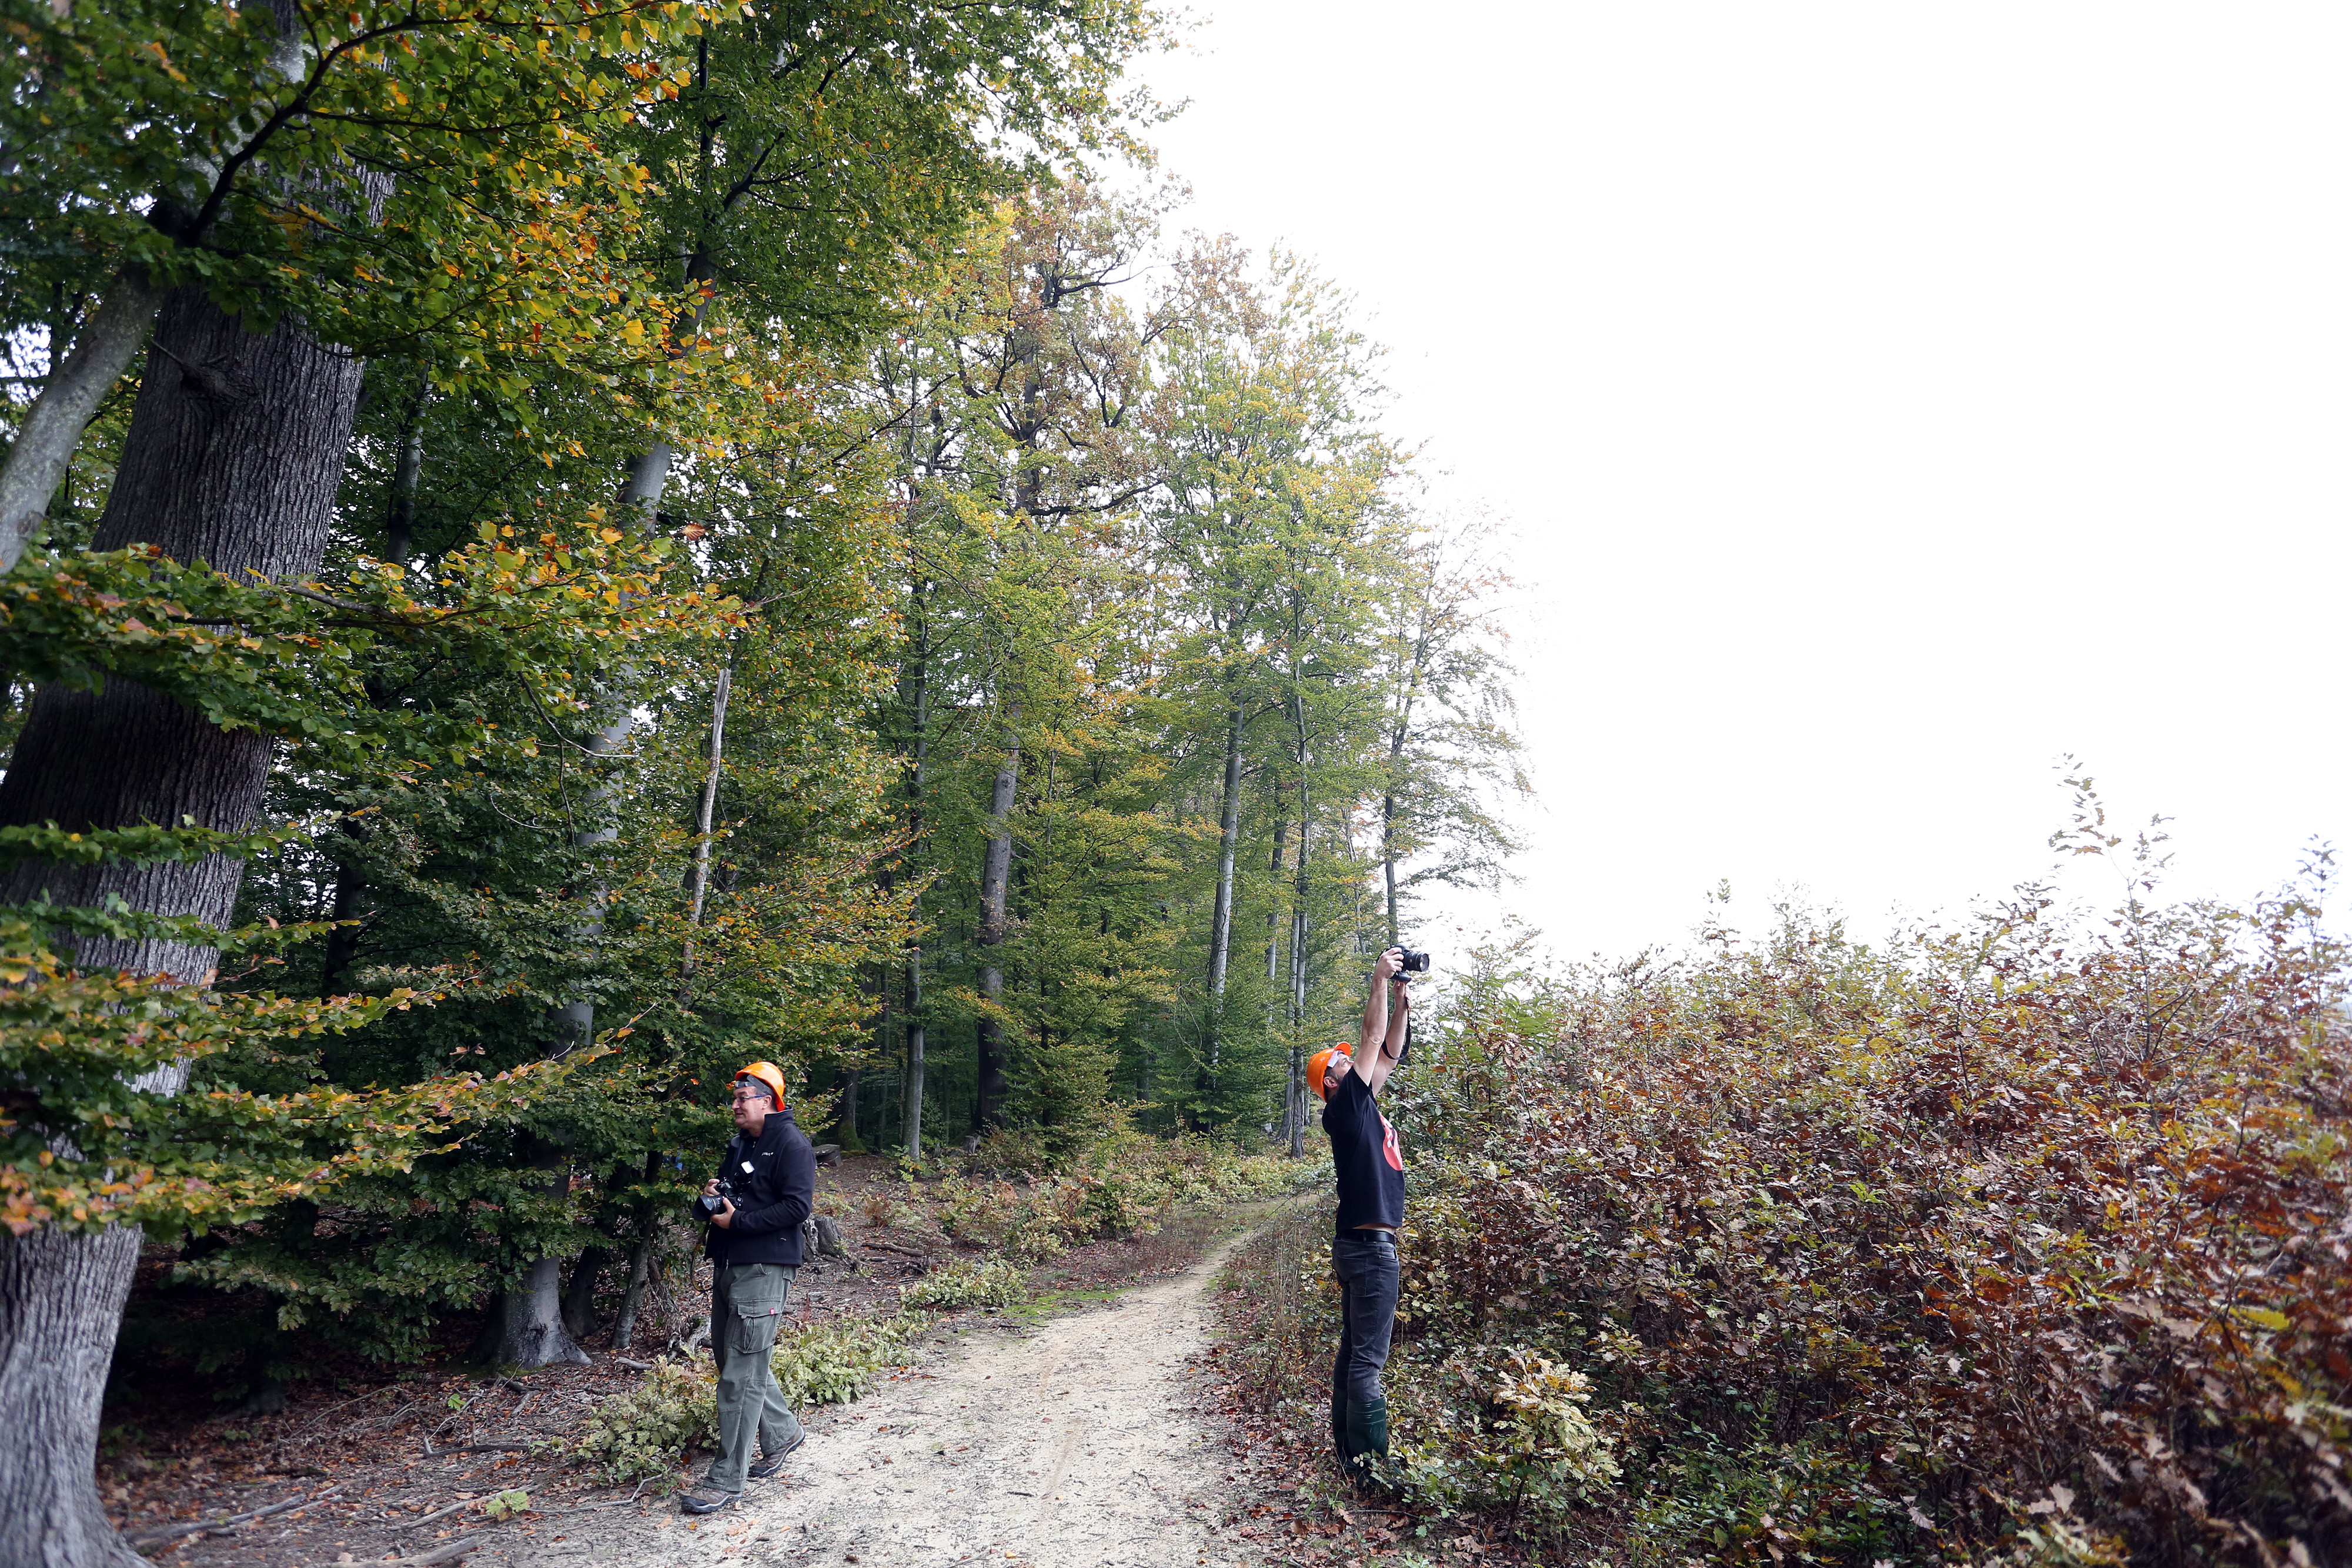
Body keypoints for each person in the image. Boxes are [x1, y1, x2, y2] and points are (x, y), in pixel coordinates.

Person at [679, 1060, 817, 1516]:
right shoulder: (742, 1143)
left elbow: (797, 1207)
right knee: (733, 1359)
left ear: (767, 1100)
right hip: (730, 1263)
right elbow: (733, 1198)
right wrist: (714, 1194)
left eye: (743, 1096)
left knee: (741, 1373)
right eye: (734, 1097)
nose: (735, 1104)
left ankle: (725, 1480)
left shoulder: (791, 1144)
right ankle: (782, 1433)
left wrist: (740, 1221)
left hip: (764, 1267)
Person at [1307, 945, 1412, 1489]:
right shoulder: (1343, 1108)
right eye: (1343, 1061)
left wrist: (1402, 1003)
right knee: (1368, 1363)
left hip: (1360, 1246)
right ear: (1331, 1081)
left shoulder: (1361, 1103)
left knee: (1355, 1354)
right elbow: (1372, 1041)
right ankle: (1371, 1472)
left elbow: (1388, 1052)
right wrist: (1377, 978)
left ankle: (1349, 1455)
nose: (1354, 1059)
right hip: (1371, 1251)